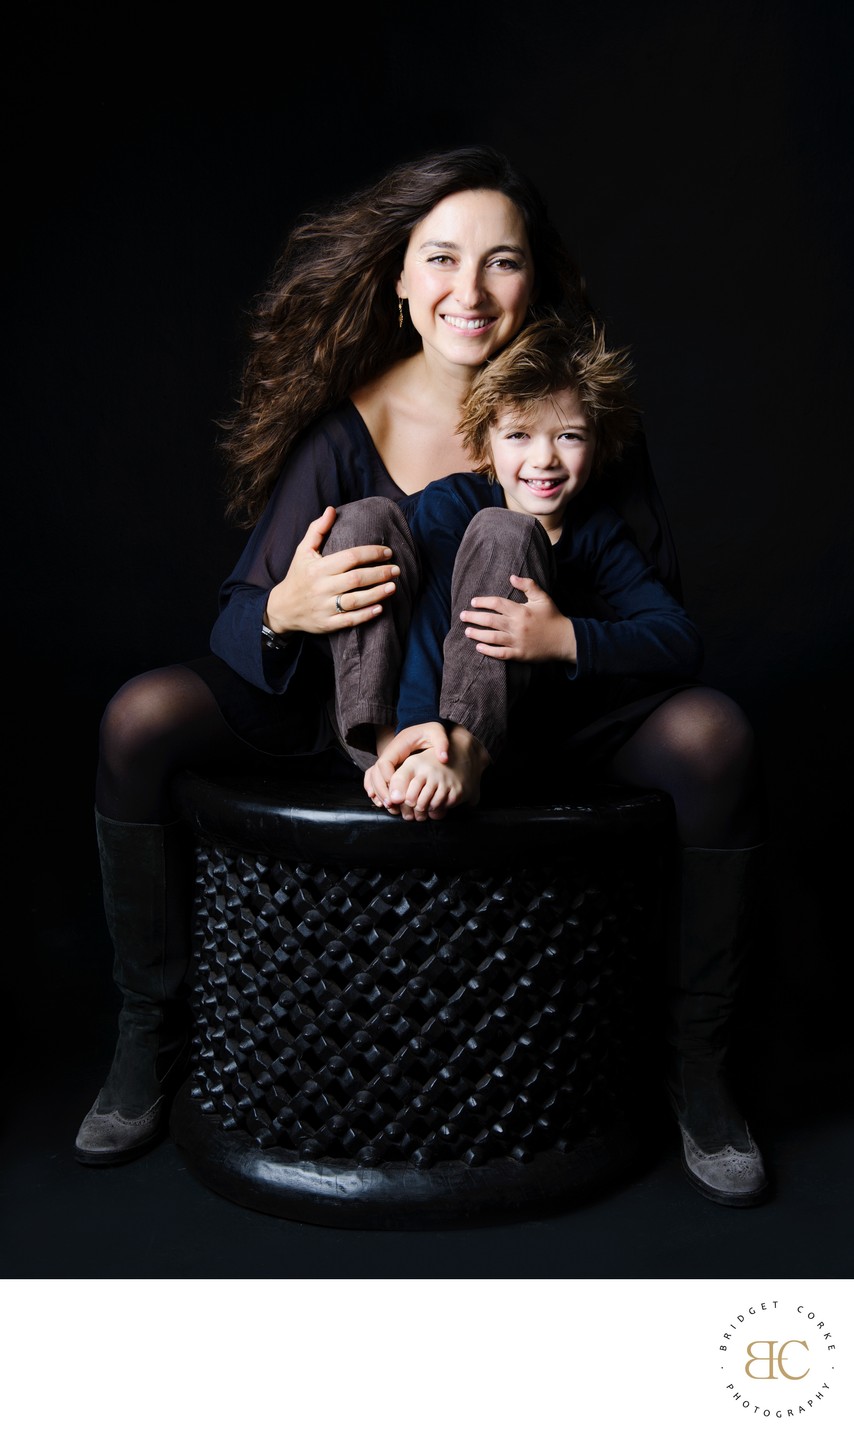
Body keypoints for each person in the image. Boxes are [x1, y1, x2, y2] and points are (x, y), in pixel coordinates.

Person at [73, 146, 768, 1211]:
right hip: (361, 714)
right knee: (139, 716)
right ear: (399, 279)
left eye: (501, 262)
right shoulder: (347, 425)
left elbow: (656, 609)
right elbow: (234, 613)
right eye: (441, 258)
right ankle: (145, 1035)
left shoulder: (565, 418)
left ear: (535, 281)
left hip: (533, 717)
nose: (469, 289)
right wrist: (281, 609)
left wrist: (561, 641)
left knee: (711, 734)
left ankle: (696, 1066)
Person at [323, 314, 769, 1208]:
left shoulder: (597, 538)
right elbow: (405, 605)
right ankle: (397, 748)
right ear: (487, 441)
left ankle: (701, 1069)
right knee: (378, 521)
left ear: (597, 445)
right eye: (521, 435)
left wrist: (566, 637)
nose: (545, 459)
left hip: (532, 742)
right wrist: (417, 726)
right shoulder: (455, 503)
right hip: (424, 734)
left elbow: (677, 639)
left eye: (568, 435)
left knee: (507, 538)